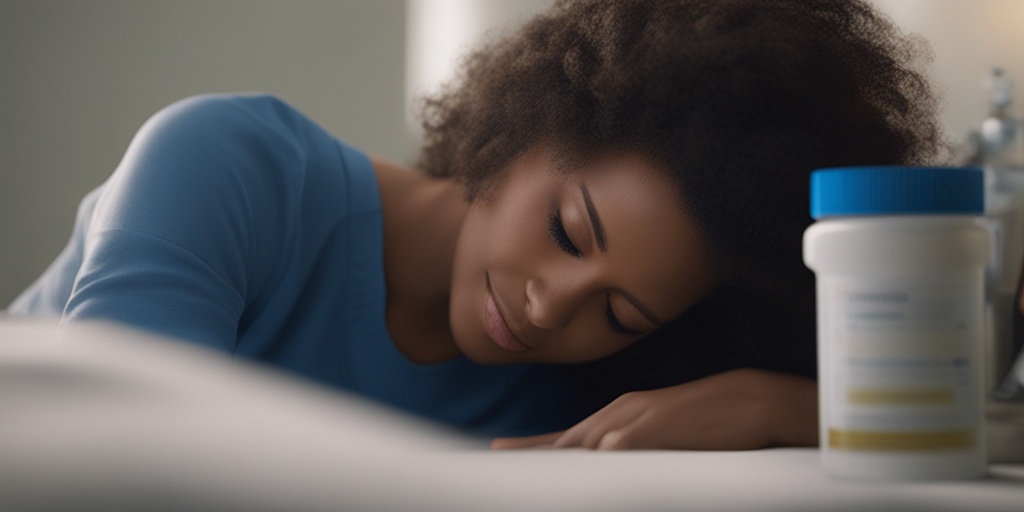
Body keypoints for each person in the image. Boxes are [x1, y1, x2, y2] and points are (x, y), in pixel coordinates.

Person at [6, 0, 942, 450]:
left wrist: (779, 403)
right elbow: (111, 445)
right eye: (570, 233)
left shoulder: (574, 399)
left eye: (620, 314)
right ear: (526, 128)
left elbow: (962, 428)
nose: (548, 309)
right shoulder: (227, 163)